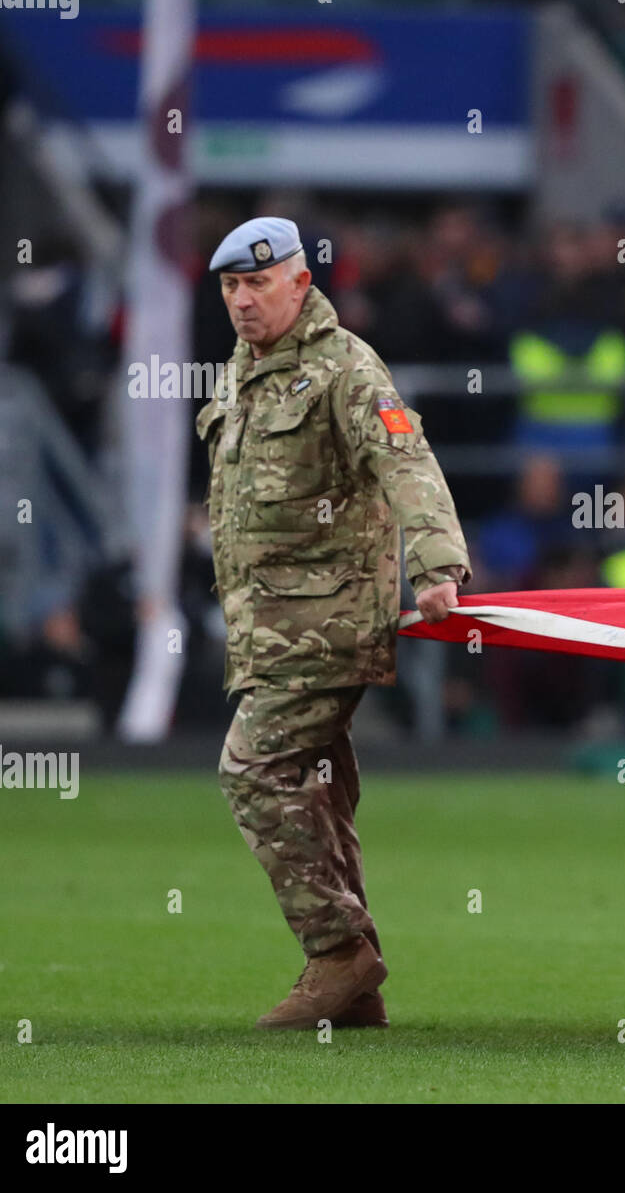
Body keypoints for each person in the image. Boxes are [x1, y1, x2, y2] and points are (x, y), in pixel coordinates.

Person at [196, 217, 471, 1030]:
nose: (243, 301)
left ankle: (337, 951)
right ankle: (357, 991)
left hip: (326, 626)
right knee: (320, 796)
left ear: (301, 282)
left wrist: (437, 563)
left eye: (257, 283)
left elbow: (405, 458)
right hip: (266, 630)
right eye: (231, 287)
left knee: (254, 770)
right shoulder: (241, 373)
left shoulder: (344, 368)